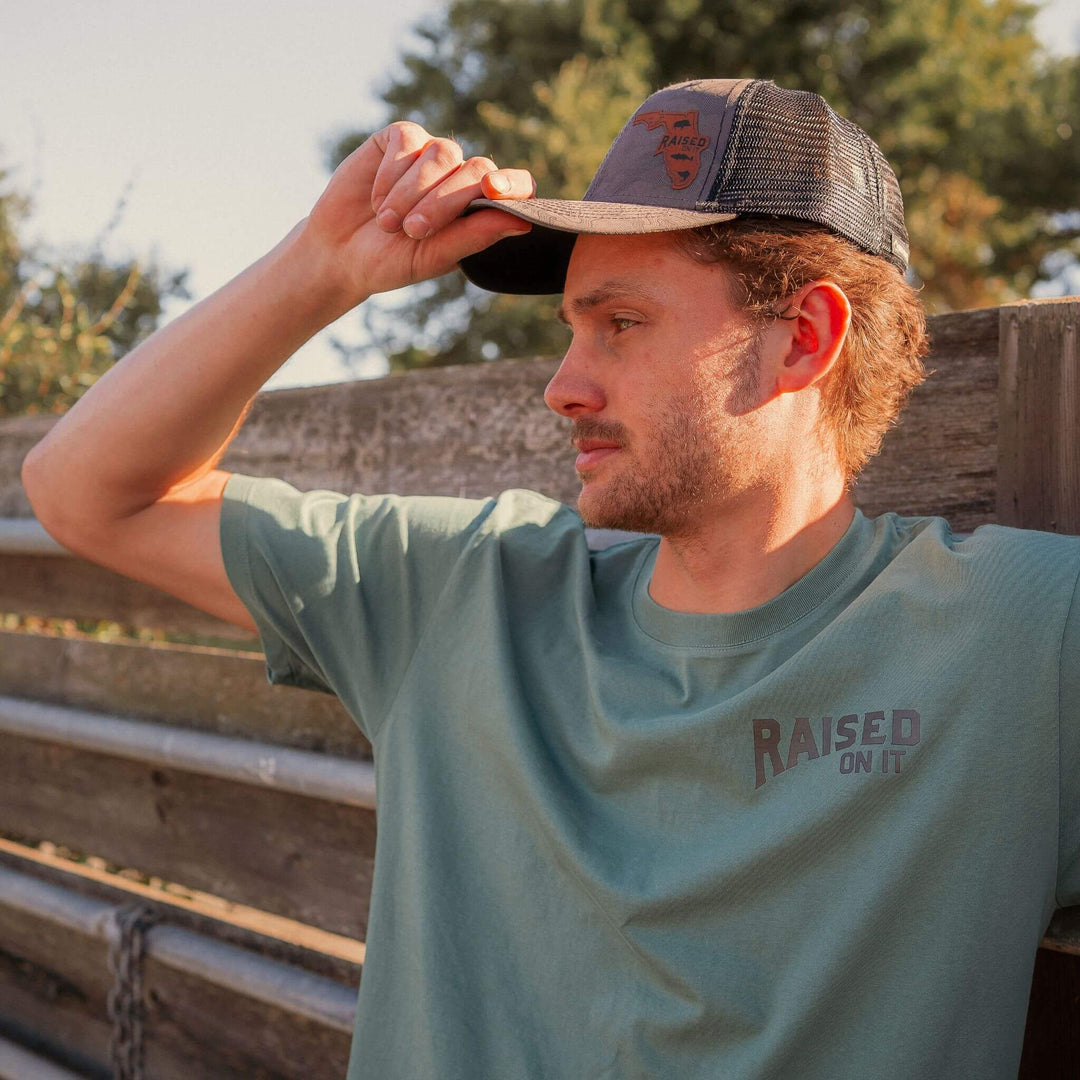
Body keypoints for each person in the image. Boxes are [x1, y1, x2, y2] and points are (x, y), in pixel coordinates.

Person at [20, 78, 1080, 1080]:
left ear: (802, 340)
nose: (564, 388)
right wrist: (320, 267)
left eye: (621, 324)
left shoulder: (1020, 638)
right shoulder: (463, 593)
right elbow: (83, 490)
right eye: (571, 331)